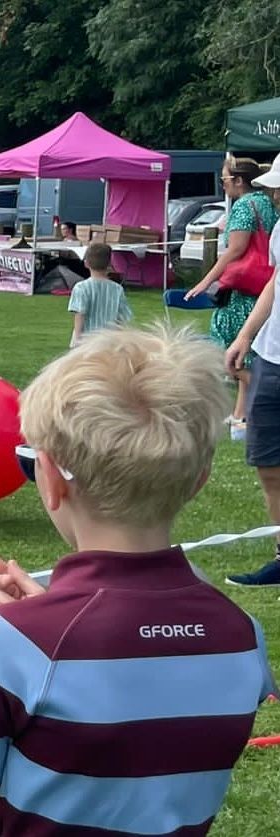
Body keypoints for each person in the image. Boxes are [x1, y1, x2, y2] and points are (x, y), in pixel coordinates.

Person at [0, 325, 273, 836]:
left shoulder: (2, 643)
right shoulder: (243, 637)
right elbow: (135, 683)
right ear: (200, 479)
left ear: (49, 479)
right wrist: (53, 618)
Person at [185, 157, 279, 441]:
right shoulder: (266, 205)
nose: (223, 186)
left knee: (229, 351)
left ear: (238, 181)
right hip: (261, 289)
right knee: (246, 358)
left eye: (225, 180)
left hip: (244, 290)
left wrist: (205, 281)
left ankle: (247, 412)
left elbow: (235, 249)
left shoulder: (243, 207)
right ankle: (240, 417)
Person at [222, 152, 280, 587]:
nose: (275, 193)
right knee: (268, 465)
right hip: (272, 359)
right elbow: (274, 285)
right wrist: (244, 337)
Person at [67, 242, 132, 346]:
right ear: (109, 264)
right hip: (110, 342)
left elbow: (80, 315)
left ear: (86, 263)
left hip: (87, 341)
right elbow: (122, 318)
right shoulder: (117, 289)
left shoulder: (81, 288)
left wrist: (77, 340)